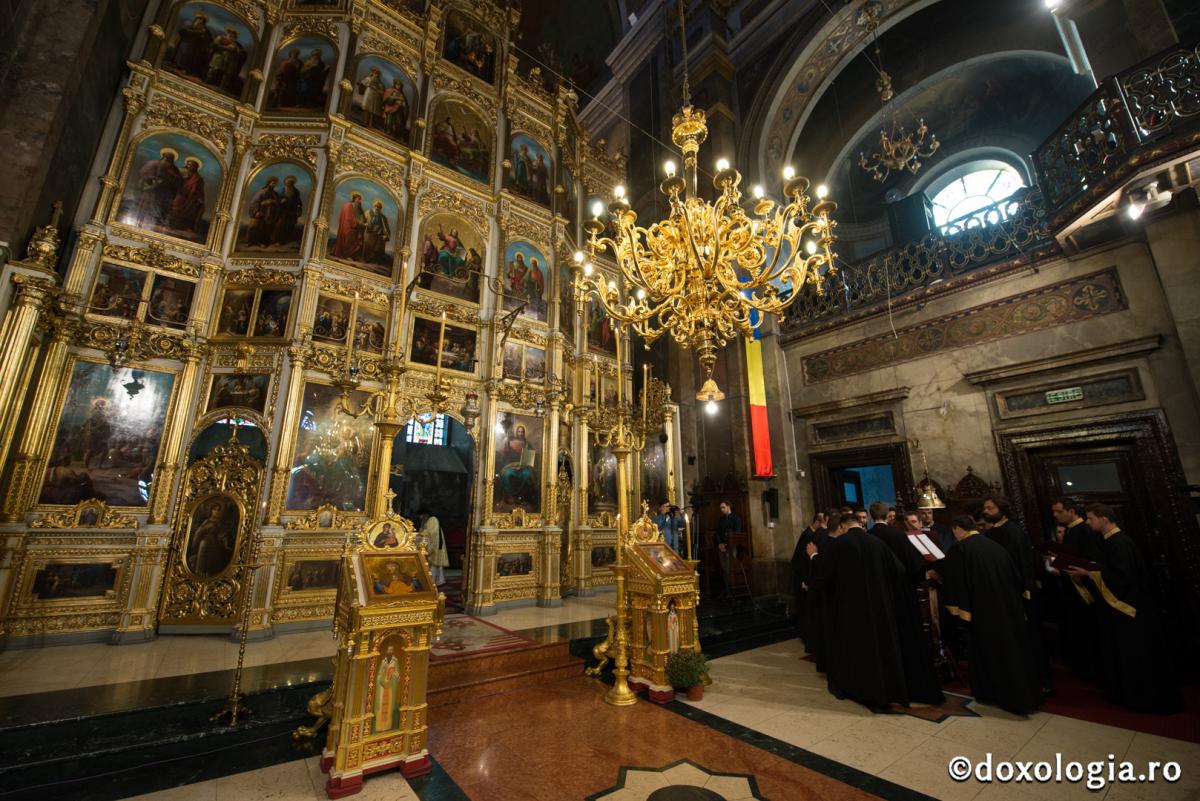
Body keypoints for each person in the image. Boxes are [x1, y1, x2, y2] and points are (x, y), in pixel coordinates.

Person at [1065, 504, 1183, 713]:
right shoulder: (1110, 541)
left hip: (1127, 608)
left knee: (1134, 654)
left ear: (1104, 519)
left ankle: (1139, 695)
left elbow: (1121, 577)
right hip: (1119, 608)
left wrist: (1090, 573)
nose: (1089, 522)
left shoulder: (1119, 543)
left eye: (1091, 518)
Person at [806, 513, 912, 710]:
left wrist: (813, 557)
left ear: (844, 526)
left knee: (854, 648)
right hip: (879, 606)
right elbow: (899, 571)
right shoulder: (877, 542)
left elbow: (824, 575)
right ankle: (884, 690)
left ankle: (856, 688)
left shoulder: (839, 544)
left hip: (850, 607)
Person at [941, 515, 1042, 714]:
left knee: (991, 653)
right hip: (1009, 609)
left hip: (983, 613)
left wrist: (958, 610)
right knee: (1013, 650)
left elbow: (957, 583)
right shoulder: (995, 546)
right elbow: (1016, 577)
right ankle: (1023, 694)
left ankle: (994, 693)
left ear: (957, 529)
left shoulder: (962, 549)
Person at [867, 501, 944, 704]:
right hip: (901, 593)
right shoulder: (898, 536)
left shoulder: (868, 537)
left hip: (877, 595)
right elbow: (913, 566)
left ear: (870, 516)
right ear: (888, 516)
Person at [982, 494, 1053, 695]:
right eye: (985, 508)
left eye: (990, 508)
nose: (986, 511)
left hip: (1018, 592)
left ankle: (1041, 680)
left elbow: (1021, 566)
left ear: (1002, 509)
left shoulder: (1013, 532)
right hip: (1001, 593)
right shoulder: (990, 533)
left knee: (1030, 639)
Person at [1049, 497, 1103, 680]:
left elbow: (1091, 558)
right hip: (1071, 588)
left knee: (1088, 631)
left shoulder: (1083, 530)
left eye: (1058, 511)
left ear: (1071, 511)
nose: (1055, 515)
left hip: (1084, 588)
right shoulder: (1072, 531)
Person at [790, 512, 826, 637]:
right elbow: (803, 559)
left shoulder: (811, 534)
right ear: (817, 522)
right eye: (823, 523)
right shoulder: (808, 535)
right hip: (803, 577)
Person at [715, 501, 742, 597]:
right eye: (721, 508)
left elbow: (737, 533)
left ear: (728, 507)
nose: (721, 510)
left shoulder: (736, 518)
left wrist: (726, 544)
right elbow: (718, 533)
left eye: (723, 507)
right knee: (725, 570)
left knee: (731, 569)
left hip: (731, 547)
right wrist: (720, 544)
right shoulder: (721, 520)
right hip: (722, 548)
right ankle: (728, 591)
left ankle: (734, 591)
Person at [418, 510, 449, 585]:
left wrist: (421, 534)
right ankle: (434, 581)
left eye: (421, 515)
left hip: (435, 545)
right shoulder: (426, 521)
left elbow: (431, 532)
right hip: (431, 544)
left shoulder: (433, 519)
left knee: (434, 564)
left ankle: (433, 582)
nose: (420, 517)